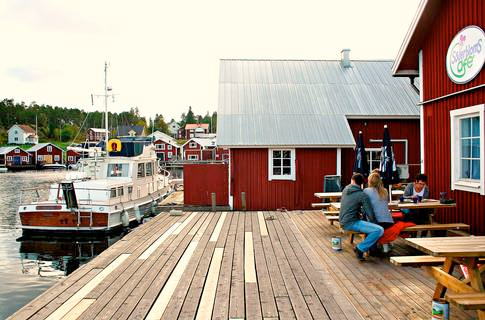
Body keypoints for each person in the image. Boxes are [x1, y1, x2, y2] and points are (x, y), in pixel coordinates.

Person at [339, 173, 384, 261]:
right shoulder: (362, 195)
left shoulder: (345, 190)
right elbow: (370, 214)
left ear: (352, 181)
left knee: (375, 229)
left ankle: (362, 248)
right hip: (352, 222)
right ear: (362, 184)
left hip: (342, 221)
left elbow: (351, 205)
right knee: (379, 230)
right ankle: (360, 249)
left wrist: (359, 212)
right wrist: (376, 224)